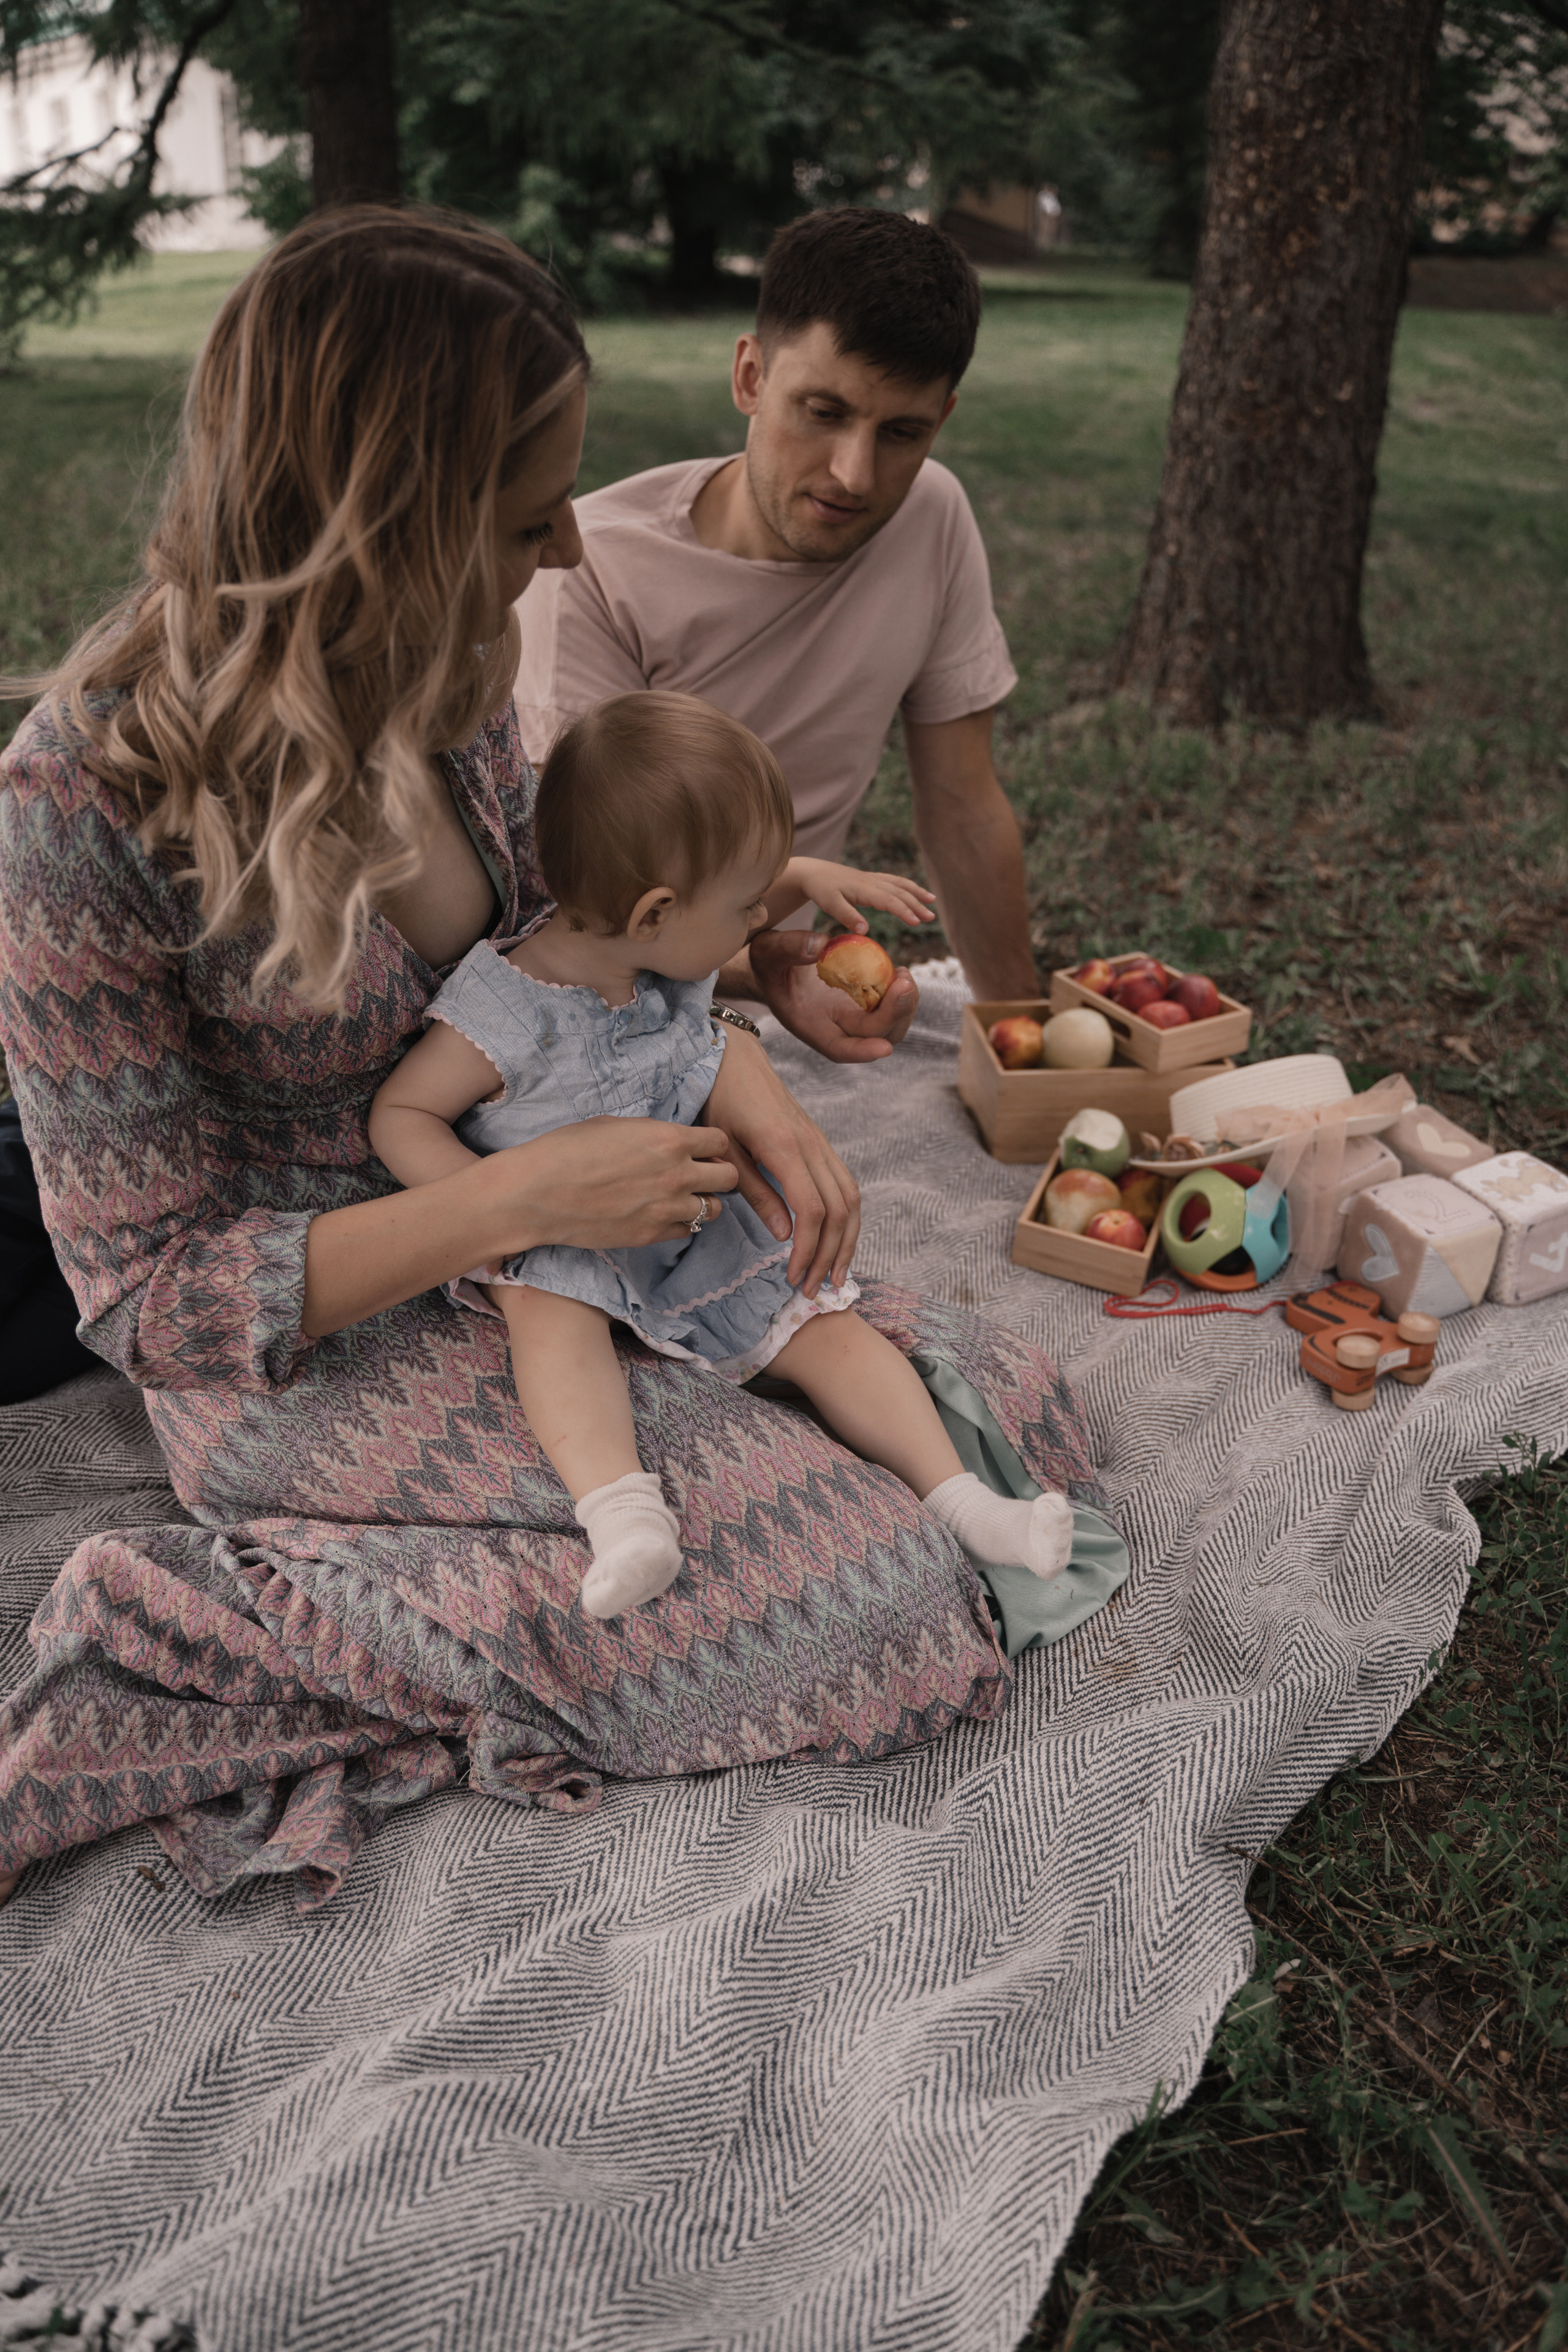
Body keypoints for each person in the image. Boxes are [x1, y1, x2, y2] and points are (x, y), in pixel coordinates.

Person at [0, 207, 1121, 1913]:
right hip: (319, 1339)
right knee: (875, 1605)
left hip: (555, 1246)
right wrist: (521, 1197)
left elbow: (579, 957)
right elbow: (151, 1297)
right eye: (522, 517)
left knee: (1002, 1416)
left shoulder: (438, 692)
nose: (556, 563)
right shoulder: (78, 805)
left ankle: (625, 1515)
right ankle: (181, 1632)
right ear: (374, 518)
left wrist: (737, 1078)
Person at [370, 691, 1073, 1618]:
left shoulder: (661, 959)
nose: (758, 924)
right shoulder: (506, 1007)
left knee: (825, 1322)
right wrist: (500, 1211)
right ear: (656, 911)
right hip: (559, 1234)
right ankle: (623, 1516)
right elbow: (400, 1114)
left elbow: (709, 915)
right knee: (552, 1321)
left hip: (690, 1220)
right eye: (749, 905)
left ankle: (967, 1503)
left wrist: (808, 875)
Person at [511, 206, 1041, 1066]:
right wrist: (756, 971)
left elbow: (963, 805)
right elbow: (573, 905)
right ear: (751, 376)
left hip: (785, 976)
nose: (855, 475)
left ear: (941, 418)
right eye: (823, 412)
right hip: (612, 1010)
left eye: (901, 432)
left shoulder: (932, 514)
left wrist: (1025, 1036)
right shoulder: (591, 570)